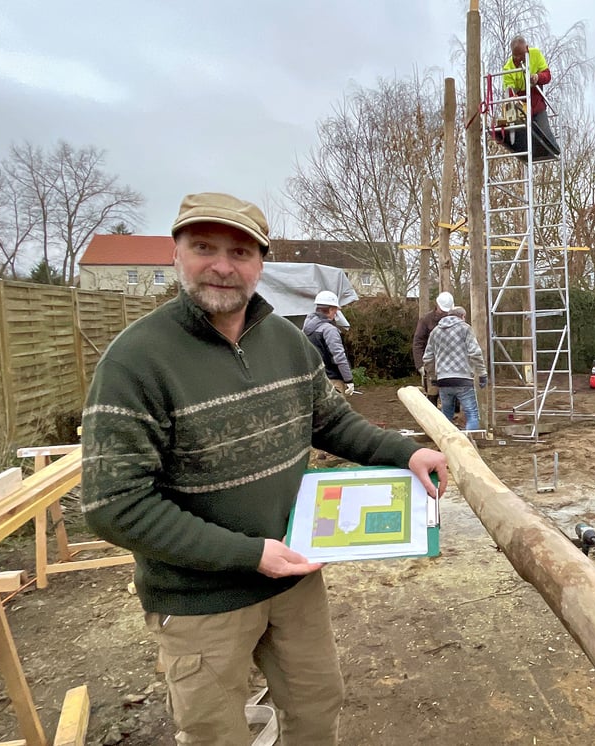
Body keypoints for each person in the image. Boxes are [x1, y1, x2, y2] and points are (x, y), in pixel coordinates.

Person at [81, 192, 448, 746]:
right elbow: (114, 506)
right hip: (200, 599)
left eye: (241, 251)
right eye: (204, 247)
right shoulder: (136, 360)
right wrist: (249, 555)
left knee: (316, 709)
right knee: (215, 734)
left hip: (294, 575)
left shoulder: (287, 341)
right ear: (176, 252)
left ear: (261, 262)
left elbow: (331, 422)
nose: (223, 265)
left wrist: (405, 452)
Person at [422, 305, 487, 431]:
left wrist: (433, 377)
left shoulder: (435, 332)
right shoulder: (465, 328)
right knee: (472, 414)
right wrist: (482, 373)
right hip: (463, 379)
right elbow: (475, 353)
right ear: (462, 316)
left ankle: (447, 442)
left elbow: (428, 358)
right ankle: (469, 446)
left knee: (446, 414)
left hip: (443, 380)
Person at [501, 35, 561, 157]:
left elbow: (547, 75)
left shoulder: (535, 54)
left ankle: (554, 151)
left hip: (536, 99)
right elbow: (510, 91)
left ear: (526, 49)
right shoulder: (508, 68)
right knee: (523, 133)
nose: (519, 59)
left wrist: (537, 77)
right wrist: (516, 100)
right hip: (521, 104)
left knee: (544, 130)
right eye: (515, 55)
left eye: (521, 55)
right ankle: (524, 151)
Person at [303, 290, 355, 395]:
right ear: (331, 309)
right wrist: (348, 379)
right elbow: (339, 356)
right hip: (332, 381)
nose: (336, 313)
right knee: (337, 410)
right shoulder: (329, 330)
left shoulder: (306, 327)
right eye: (335, 309)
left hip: (314, 379)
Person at [412, 291, 454, 406]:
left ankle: (451, 418)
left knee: (452, 396)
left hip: (450, 363)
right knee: (432, 393)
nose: (444, 313)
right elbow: (418, 342)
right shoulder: (426, 320)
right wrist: (420, 364)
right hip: (432, 364)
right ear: (437, 305)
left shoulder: (453, 319)